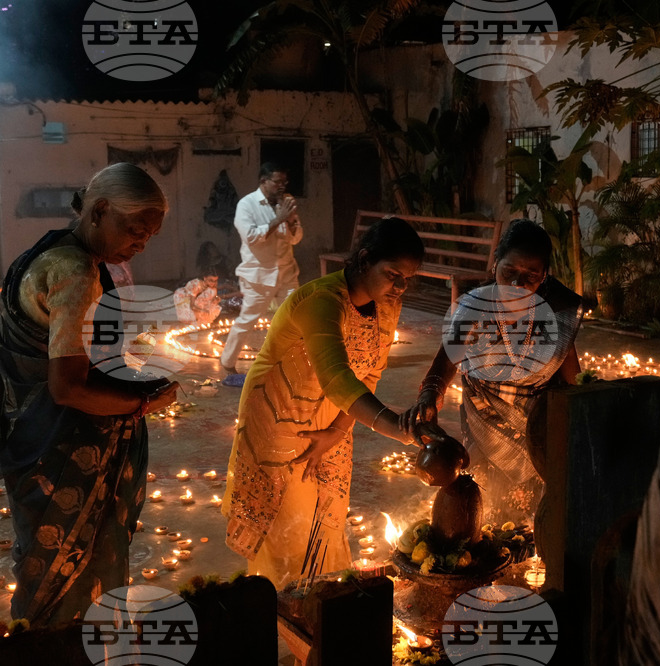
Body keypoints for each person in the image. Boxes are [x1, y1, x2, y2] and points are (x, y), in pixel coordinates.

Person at [0, 163, 179, 627]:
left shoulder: (49, 248)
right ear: (100, 210)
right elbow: (67, 387)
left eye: (149, 236)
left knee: (43, 563)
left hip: (28, 431)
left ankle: (40, 644)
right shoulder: (76, 271)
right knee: (69, 569)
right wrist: (144, 403)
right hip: (58, 446)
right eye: (135, 230)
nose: (140, 243)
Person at [222, 216, 435, 588]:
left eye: (408, 278)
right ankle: (284, 607)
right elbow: (338, 378)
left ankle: (319, 604)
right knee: (289, 520)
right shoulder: (321, 301)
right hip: (280, 411)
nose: (400, 287)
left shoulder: (386, 306)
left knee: (326, 513)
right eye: (393, 274)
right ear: (365, 259)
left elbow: (369, 372)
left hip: (336, 411)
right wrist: (399, 428)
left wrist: (336, 432)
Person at [404, 219, 584, 526]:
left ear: (543, 278)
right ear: (494, 265)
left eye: (530, 276)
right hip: (485, 424)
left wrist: (580, 416)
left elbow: (570, 376)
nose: (517, 284)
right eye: (509, 272)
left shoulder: (555, 312)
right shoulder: (473, 308)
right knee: (487, 510)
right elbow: (446, 360)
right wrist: (429, 396)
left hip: (539, 427)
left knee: (537, 514)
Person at [220, 163, 303, 375]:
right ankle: (228, 362)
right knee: (248, 319)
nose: (282, 186)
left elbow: (296, 238)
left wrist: (292, 221)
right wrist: (279, 219)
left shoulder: (286, 203)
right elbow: (252, 237)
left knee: (294, 319)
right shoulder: (247, 205)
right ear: (263, 182)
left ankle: (289, 364)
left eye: (284, 182)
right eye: (277, 182)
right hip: (258, 276)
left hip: (287, 273)